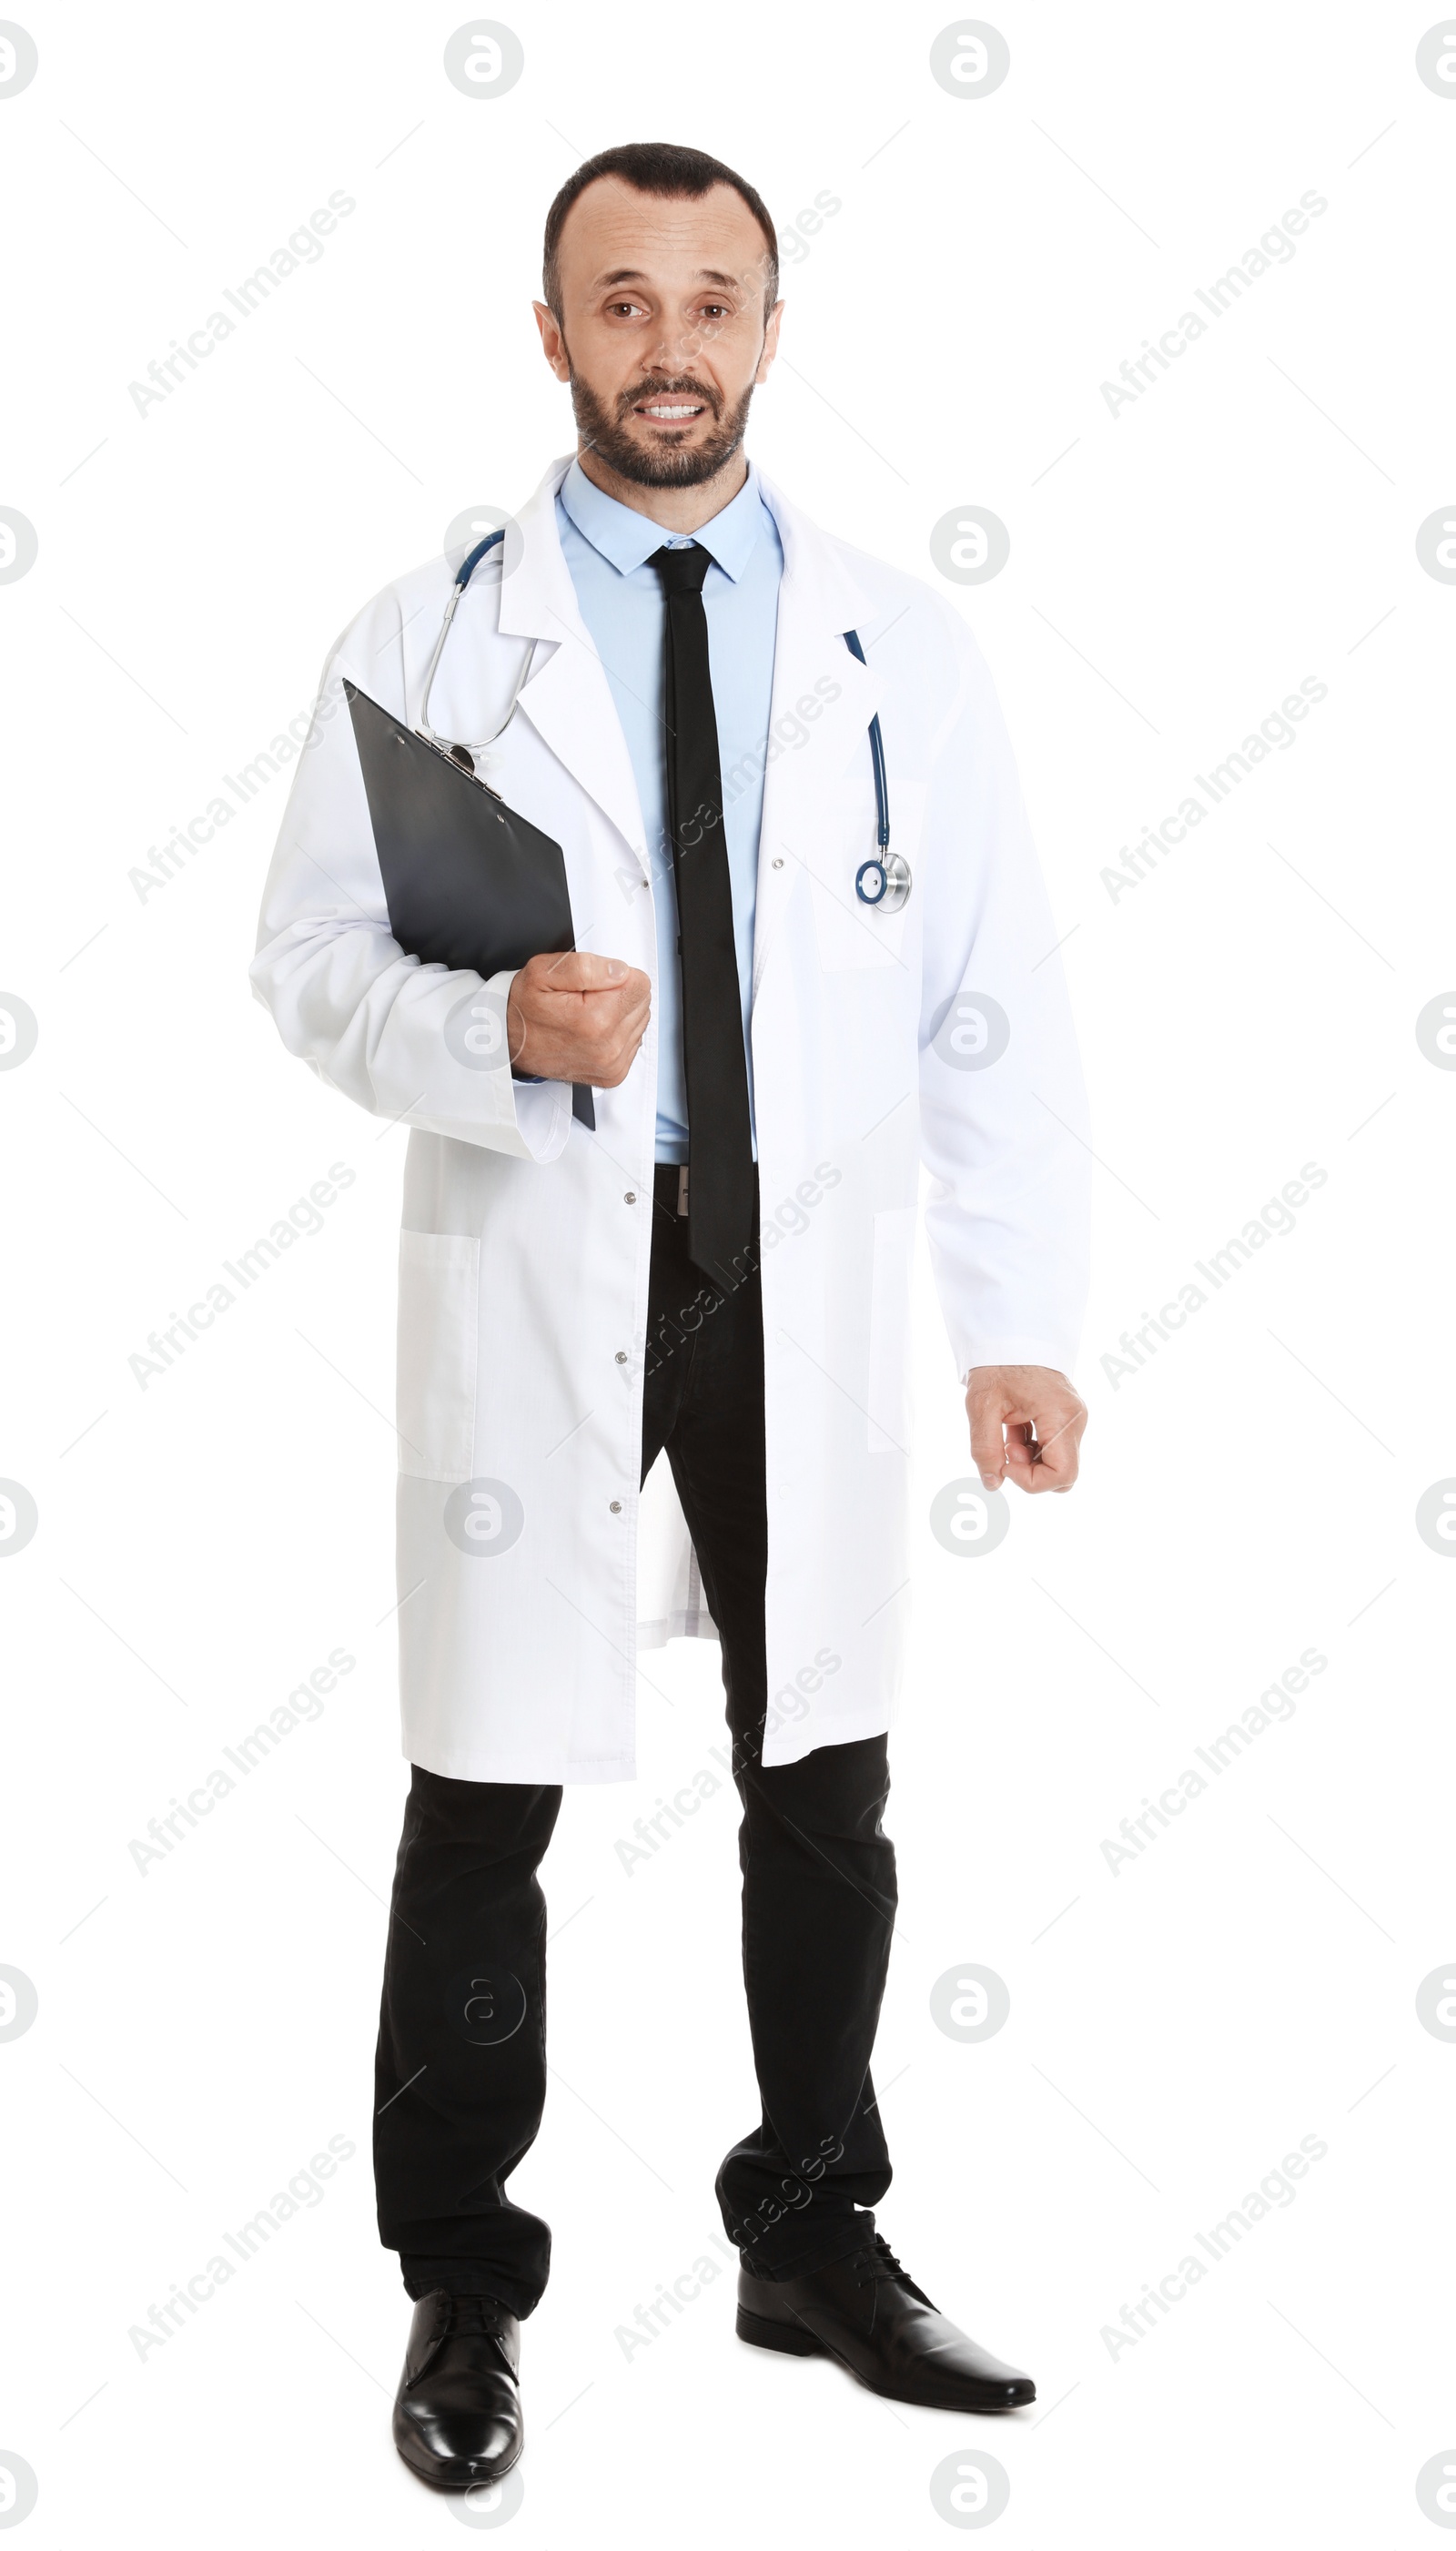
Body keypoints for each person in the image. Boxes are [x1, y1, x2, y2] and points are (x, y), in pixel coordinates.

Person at [251, 139, 1089, 2493]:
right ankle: (455, 2275)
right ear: (551, 336)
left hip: (797, 1263)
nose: (670, 344)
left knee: (823, 1770)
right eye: (620, 302)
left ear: (772, 328)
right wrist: (498, 1026)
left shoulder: (895, 643)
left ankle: (813, 2230)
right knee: (483, 1782)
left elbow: (990, 998)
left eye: (712, 298)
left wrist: (1017, 1321)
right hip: (549, 1253)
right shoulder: (433, 629)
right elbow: (308, 962)